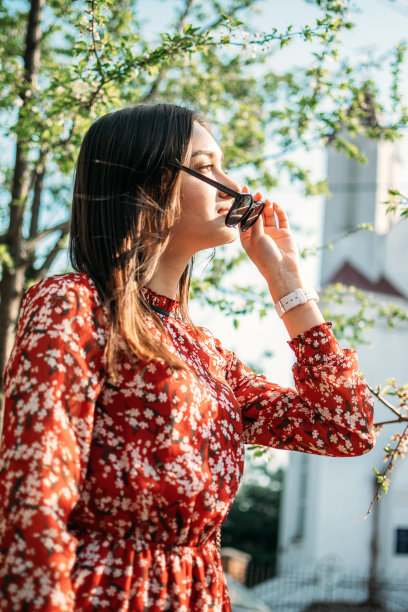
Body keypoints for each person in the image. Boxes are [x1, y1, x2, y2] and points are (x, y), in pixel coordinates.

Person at [0, 104, 375, 611]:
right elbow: (33, 496)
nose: (230, 184)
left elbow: (345, 426)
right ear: (145, 183)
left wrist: (286, 283)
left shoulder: (207, 352)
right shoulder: (73, 305)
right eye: (205, 165)